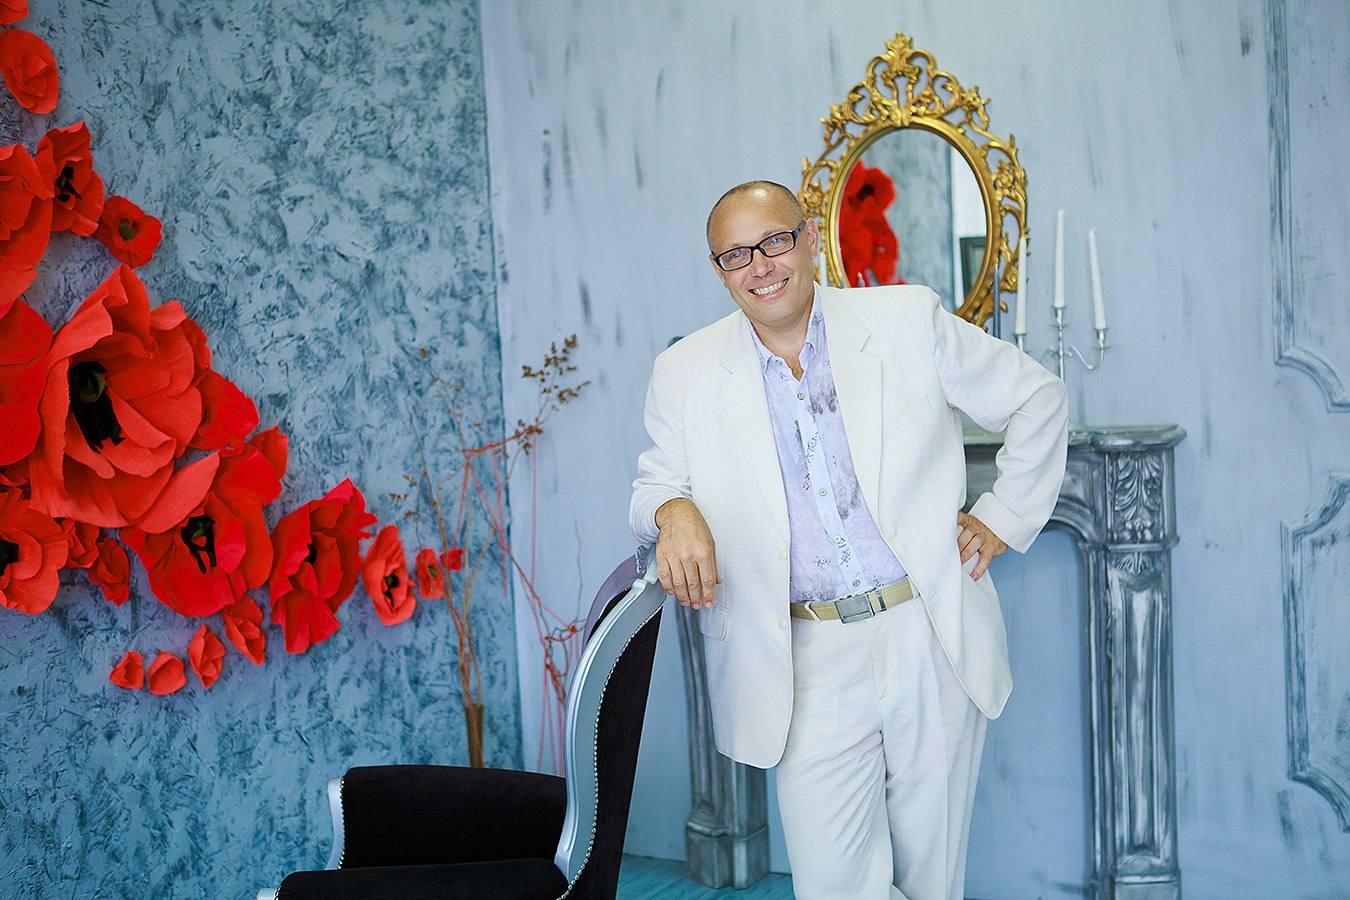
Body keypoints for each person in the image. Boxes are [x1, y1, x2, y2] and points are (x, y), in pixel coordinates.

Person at [629, 181, 1069, 900]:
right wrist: (672, 509)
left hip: (927, 631)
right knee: (835, 886)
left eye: (774, 241)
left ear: (808, 238)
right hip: (802, 654)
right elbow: (653, 483)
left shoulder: (906, 319)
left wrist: (1004, 516)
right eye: (737, 254)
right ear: (719, 270)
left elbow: (1037, 397)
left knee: (932, 882)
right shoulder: (684, 371)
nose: (760, 266)